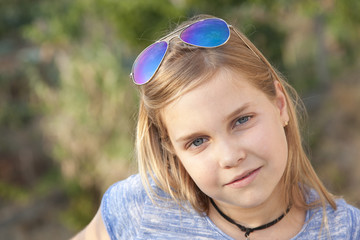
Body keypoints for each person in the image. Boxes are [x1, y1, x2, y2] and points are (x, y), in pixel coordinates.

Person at [72, 15, 360, 240]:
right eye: (197, 141)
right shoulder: (139, 208)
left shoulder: (346, 231)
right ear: (172, 149)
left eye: (242, 120)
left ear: (280, 106)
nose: (229, 156)